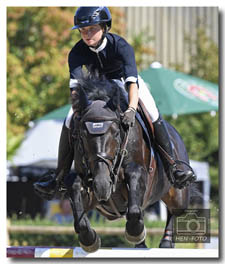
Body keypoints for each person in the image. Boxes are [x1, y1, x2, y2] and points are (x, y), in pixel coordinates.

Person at [34, 7, 195, 197]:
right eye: (83, 30)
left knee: (152, 112)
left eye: (92, 29)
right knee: (69, 119)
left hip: (126, 84)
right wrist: (79, 112)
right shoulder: (76, 52)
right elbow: (76, 90)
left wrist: (131, 109)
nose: (87, 34)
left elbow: (132, 83)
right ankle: (58, 178)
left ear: (104, 27)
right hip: (95, 89)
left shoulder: (121, 46)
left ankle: (173, 168)